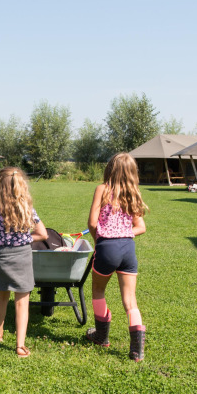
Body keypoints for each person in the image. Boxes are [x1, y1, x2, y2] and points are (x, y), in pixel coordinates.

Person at [84, 153, 148, 361]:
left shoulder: (102, 190)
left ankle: (101, 336)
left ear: (110, 169)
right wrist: (124, 233)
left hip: (106, 248)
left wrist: (99, 242)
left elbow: (92, 223)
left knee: (98, 290)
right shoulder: (133, 193)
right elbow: (141, 227)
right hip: (128, 249)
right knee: (130, 300)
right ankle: (137, 350)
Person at [0, 167, 47, 358]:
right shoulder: (28, 210)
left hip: (1, 257)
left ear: (0, 187)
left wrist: (1, 239)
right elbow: (43, 234)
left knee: (2, 296)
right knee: (22, 301)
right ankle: (19, 346)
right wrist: (24, 239)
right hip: (22, 257)